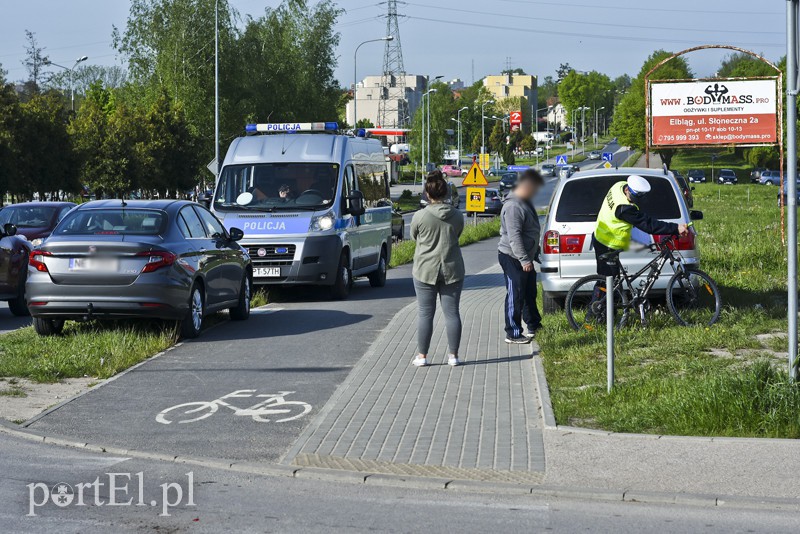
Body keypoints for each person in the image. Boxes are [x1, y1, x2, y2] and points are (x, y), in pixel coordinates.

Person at [410, 171, 466, 367]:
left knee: (425, 313)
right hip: (452, 269)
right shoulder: (457, 216)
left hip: (425, 269)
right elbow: (458, 235)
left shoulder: (420, 216)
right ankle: (454, 356)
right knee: (452, 313)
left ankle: (422, 357)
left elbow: (414, 236)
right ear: (445, 193)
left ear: (427, 193)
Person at [593, 175, 689, 278]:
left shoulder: (618, 185)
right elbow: (649, 225)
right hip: (608, 243)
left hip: (600, 237)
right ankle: (599, 294)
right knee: (607, 283)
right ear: (628, 191)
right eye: (634, 199)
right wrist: (675, 228)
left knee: (611, 281)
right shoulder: (624, 208)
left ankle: (614, 292)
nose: (634, 202)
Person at [498, 169, 545, 344]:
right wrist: (524, 259)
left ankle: (533, 325)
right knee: (515, 294)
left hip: (525, 256)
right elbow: (514, 236)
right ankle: (513, 332)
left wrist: (535, 251)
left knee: (529, 292)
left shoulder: (524, 202)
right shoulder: (513, 207)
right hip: (512, 257)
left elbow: (530, 231)